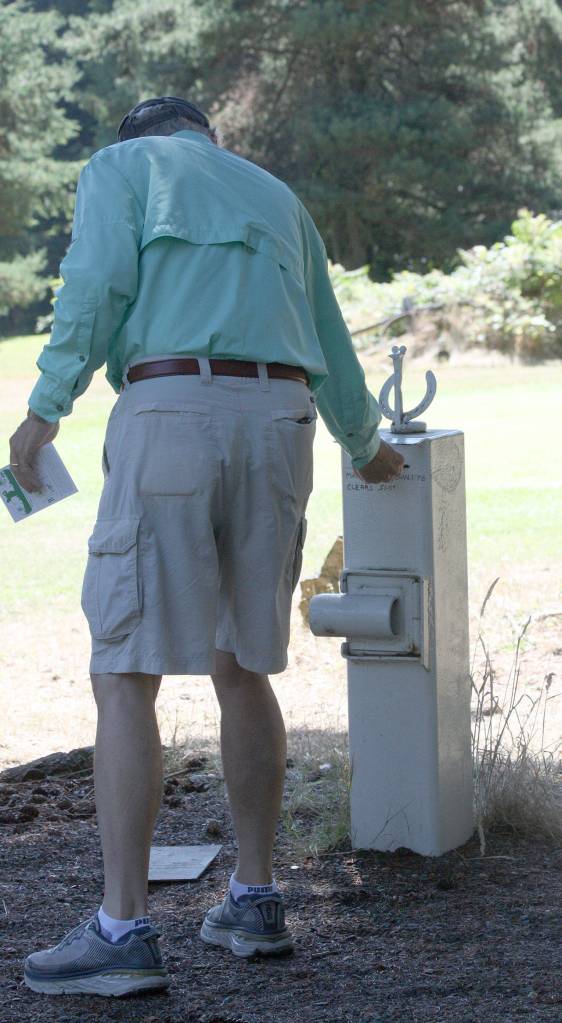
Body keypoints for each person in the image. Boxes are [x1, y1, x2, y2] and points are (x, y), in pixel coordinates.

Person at [9, 96, 405, 997]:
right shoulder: (273, 194)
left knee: (125, 667)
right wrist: (367, 445)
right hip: (281, 423)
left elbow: (97, 285)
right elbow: (331, 336)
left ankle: (121, 927)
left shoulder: (125, 168)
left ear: (140, 136)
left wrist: (43, 413)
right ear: (206, 139)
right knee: (244, 665)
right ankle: (257, 900)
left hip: (171, 409)